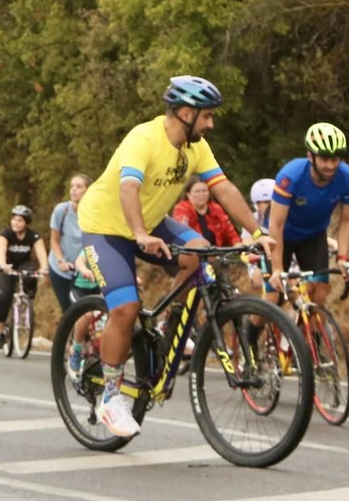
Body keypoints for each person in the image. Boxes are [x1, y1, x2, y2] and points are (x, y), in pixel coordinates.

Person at [76, 76, 269, 439]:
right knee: (125, 309)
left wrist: (258, 232)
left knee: (198, 255)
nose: (211, 124)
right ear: (185, 112)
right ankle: (110, 396)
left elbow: (223, 188)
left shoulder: (196, 147)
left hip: (147, 222)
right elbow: (128, 187)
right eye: (207, 116)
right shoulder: (144, 138)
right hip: (106, 226)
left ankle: (170, 330)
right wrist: (140, 235)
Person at [266, 123, 349, 306]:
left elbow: (348, 220)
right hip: (281, 235)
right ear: (310, 156)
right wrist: (277, 269)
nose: (330, 166)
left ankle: (313, 335)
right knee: (273, 298)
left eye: (335, 159)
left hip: (313, 236)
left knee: (319, 295)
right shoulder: (290, 176)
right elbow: (276, 224)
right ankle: (251, 334)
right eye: (324, 159)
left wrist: (342, 257)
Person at [0, 205, 47, 350]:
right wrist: (3, 264)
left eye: (20, 220)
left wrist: (44, 267)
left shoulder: (33, 236)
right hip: (5, 266)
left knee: (31, 275)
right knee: (4, 297)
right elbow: (1, 250)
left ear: (26, 223)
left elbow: (41, 253)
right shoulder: (5, 234)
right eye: (14, 219)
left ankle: (25, 302)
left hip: (24, 264)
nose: (16, 223)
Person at [47, 174, 90, 316]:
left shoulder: (94, 213)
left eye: (79, 186)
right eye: (72, 186)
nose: (74, 190)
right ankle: (72, 337)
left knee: (89, 311)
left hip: (84, 271)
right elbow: (54, 240)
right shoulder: (62, 211)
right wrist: (61, 261)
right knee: (70, 312)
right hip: (61, 270)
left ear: (88, 190)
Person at [172, 175, 241, 248]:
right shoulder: (182, 209)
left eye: (204, 191)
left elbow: (230, 232)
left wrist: (237, 244)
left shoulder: (216, 208)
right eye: (197, 191)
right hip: (193, 252)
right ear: (188, 194)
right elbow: (182, 230)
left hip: (217, 253)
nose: (201, 194)